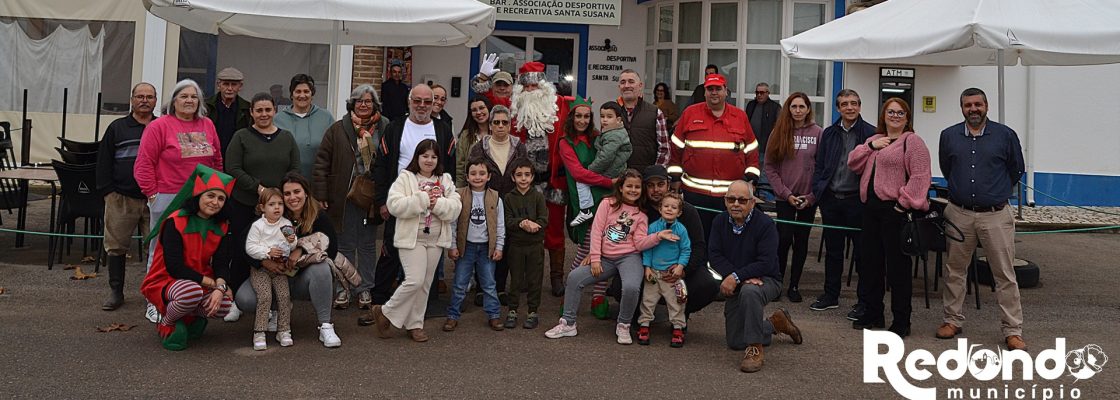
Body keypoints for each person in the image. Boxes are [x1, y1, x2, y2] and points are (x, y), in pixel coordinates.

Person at [936, 88, 1026, 351]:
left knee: (1004, 274)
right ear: (961, 108)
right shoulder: (949, 136)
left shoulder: (1005, 135)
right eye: (967, 105)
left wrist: (994, 192)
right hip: (959, 213)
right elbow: (947, 168)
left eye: (977, 104)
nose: (973, 109)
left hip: (996, 215)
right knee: (954, 270)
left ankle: (1012, 330)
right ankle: (952, 320)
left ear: (986, 106)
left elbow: (1016, 169)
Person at [545, 169, 676, 344]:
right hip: (605, 259)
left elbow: (639, 243)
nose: (633, 190)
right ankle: (568, 323)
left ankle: (624, 324)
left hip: (629, 258)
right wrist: (595, 257)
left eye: (637, 187)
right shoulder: (607, 203)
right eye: (629, 186)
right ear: (620, 187)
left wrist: (657, 237)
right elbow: (597, 231)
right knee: (575, 278)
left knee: (631, 287)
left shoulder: (641, 215)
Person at [135, 78, 224, 324]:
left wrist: (216, 191)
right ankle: (154, 301)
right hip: (167, 197)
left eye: (194, 96)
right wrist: (152, 194)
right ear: (173, 100)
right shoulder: (159, 126)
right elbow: (144, 163)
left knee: (197, 249)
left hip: (200, 199)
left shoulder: (207, 125)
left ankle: (191, 298)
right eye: (183, 96)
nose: (189, 101)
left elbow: (216, 160)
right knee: (160, 251)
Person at [847, 98, 931, 338]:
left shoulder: (912, 142)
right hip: (870, 210)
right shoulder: (874, 140)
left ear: (907, 117)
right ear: (883, 115)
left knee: (897, 270)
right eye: (890, 112)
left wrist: (902, 205)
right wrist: (871, 147)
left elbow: (920, 176)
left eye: (900, 112)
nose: (895, 116)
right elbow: (853, 162)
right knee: (870, 264)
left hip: (894, 211)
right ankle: (874, 312)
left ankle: (901, 320)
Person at [368, 84, 455, 308]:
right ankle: (378, 302)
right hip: (402, 203)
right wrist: (382, 201)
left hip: (433, 206)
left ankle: (425, 306)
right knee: (390, 253)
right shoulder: (395, 128)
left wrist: (445, 198)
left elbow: (450, 168)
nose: (422, 106)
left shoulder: (443, 129)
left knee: (429, 260)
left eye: (428, 101)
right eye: (417, 100)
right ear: (409, 101)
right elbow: (381, 166)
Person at [235, 172, 343, 348]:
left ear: (306, 193)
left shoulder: (318, 216)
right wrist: (263, 261)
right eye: (287, 193)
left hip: (300, 276)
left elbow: (332, 248)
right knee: (245, 299)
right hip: (271, 273)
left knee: (322, 268)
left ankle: (326, 325)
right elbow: (243, 244)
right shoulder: (272, 214)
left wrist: (300, 248)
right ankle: (275, 311)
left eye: (297, 191)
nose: (292, 197)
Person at [368, 139, 461, 342]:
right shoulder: (406, 178)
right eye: (425, 156)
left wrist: (438, 204)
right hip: (412, 239)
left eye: (433, 157)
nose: (429, 160)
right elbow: (394, 205)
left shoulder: (445, 179)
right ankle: (385, 311)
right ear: (417, 157)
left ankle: (415, 324)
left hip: (435, 240)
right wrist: (422, 199)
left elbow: (456, 207)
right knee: (414, 280)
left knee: (426, 283)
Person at [709, 180, 803, 372]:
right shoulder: (719, 222)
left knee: (750, 291)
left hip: (767, 279)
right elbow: (714, 255)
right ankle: (776, 323)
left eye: (742, 200)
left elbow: (766, 262)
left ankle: (755, 349)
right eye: (731, 199)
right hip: (739, 279)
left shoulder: (766, 224)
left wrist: (736, 277)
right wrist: (738, 277)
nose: (736, 204)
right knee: (735, 341)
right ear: (725, 201)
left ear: (752, 202)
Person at [139, 165, 236, 351]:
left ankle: (191, 318)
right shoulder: (175, 221)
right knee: (191, 292)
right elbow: (175, 267)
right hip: (166, 279)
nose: (215, 202)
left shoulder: (222, 226)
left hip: (200, 280)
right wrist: (213, 284)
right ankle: (167, 321)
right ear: (199, 195)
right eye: (210, 196)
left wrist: (221, 287)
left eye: (221, 198)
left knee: (224, 304)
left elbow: (222, 263)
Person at [223, 92, 300, 321]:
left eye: (268, 110)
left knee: (279, 251)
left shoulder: (286, 138)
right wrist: (260, 189)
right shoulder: (241, 137)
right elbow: (233, 168)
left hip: (278, 208)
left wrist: (279, 196)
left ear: (275, 111)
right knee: (241, 251)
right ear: (252, 113)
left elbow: (294, 169)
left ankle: (278, 305)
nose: (264, 114)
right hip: (245, 204)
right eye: (259, 110)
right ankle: (237, 301)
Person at [313, 84, 386, 309]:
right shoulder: (337, 129)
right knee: (343, 244)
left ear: (374, 104)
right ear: (351, 104)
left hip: (370, 198)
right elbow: (321, 163)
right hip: (342, 197)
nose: (363, 105)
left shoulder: (385, 128)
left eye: (368, 101)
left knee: (366, 244)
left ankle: (364, 289)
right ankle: (343, 289)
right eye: (359, 101)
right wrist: (321, 194)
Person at [808, 89, 876, 317]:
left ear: (860, 106)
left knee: (862, 254)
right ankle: (830, 296)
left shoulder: (870, 133)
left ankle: (863, 301)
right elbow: (820, 165)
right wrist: (819, 191)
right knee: (833, 252)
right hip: (831, 200)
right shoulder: (828, 133)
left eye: (854, 103)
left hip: (857, 201)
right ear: (838, 108)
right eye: (844, 104)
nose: (849, 107)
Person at [668, 73, 760, 240]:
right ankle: (698, 266)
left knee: (727, 238)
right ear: (704, 92)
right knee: (697, 237)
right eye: (710, 89)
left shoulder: (739, 116)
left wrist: (751, 180)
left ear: (726, 91)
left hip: (730, 195)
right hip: (694, 191)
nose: (714, 92)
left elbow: (752, 150)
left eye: (718, 88)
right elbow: (676, 147)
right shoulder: (690, 113)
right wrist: (675, 178)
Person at [97, 82, 156, 311]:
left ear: (155, 100)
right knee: (116, 246)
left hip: (154, 199)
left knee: (157, 247)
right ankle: (116, 292)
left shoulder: (162, 126)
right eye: (139, 96)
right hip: (121, 197)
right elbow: (103, 161)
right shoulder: (117, 128)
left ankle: (154, 293)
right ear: (132, 100)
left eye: (149, 97)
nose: (144, 100)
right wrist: (108, 192)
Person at [763, 92, 822, 303]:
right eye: (794, 106)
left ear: (808, 109)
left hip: (807, 198)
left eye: (801, 107)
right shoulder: (778, 133)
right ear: (788, 109)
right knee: (784, 239)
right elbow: (770, 167)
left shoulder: (818, 133)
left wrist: (812, 197)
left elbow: (822, 169)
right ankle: (777, 283)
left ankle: (795, 285)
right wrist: (785, 194)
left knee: (802, 240)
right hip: (784, 198)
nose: (797, 110)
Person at [639, 165, 718, 318]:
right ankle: (641, 316)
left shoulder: (687, 211)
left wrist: (683, 269)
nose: (656, 190)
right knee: (620, 285)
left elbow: (699, 246)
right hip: (650, 267)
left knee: (708, 285)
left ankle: (681, 314)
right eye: (651, 185)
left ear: (668, 185)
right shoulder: (641, 211)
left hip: (681, 265)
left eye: (660, 184)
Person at [556, 98, 612, 298]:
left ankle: (598, 297)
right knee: (585, 248)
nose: (582, 120)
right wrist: (610, 182)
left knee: (605, 249)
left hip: (604, 200)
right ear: (571, 118)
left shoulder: (597, 137)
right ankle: (571, 290)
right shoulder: (565, 142)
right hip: (585, 200)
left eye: (587, 116)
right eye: (578, 116)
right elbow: (578, 173)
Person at [443, 159, 505, 332]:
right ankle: (453, 315)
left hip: (486, 248)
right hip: (466, 247)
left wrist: (499, 247)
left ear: (489, 176)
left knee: (489, 284)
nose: (477, 177)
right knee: (459, 283)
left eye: (482, 173)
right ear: (467, 177)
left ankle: (493, 315)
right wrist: (452, 245)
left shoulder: (496, 197)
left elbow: (500, 225)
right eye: (473, 174)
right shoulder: (459, 195)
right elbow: (453, 223)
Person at [244, 188, 296, 350]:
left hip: (280, 268)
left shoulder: (286, 224)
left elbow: (292, 246)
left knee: (284, 296)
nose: (277, 208)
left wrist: (292, 241)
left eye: (280, 204)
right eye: (272, 204)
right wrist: (267, 252)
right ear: (262, 207)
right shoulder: (258, 226)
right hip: (261, 270)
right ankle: (259, 331)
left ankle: (284, 330)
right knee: (265, 296)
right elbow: (250, 247)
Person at [637, 191, 691, 347]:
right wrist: (647, 267)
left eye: (673, 207)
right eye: (666, 206)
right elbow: (647, 248)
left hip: (671, 274)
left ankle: (678, 328)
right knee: (648, 300)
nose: (669, 209)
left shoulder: (681, 230)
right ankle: (644, 326)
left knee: (676, 302)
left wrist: (681, 266)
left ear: (679, 212)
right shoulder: (653, 227)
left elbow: (686, 249)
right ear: (660, 209)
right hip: (654, 272)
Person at [501, 158, 548, 329]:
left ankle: (533, 311)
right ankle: (512, 310)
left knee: (534, 280)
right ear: (513, 177)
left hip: (535, 245)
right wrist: (522, 222)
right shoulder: (508, 198)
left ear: (532, 177)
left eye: (527, 175)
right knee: (516, 280)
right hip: (516, 246)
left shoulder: (538, 197)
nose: (523, 178)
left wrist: (535, 225)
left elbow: (544, 219)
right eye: (519, 175)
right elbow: (508, 220)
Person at [569, 101, 632, 227]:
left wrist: (591, 170)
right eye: (602, 116)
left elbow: (605, 157)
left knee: (582, 182)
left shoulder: (613, 135)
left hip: (611, 172)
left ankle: (585, 210)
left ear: (618, 119)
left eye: (609, 117)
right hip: (614, 171)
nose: (604, 120)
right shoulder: (609, 132)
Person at [275, 73, 335, 178]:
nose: (302, 95)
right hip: (287, 182)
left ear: (312, 94)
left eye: (306, 91)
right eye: (298, 91)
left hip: (319, 180)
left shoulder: (326, 117)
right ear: (291, 94)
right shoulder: (278, 119)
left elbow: (336, 148)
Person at [467, 105, 528, 196]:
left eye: (504, 122)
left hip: (514, 200)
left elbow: (526, 176)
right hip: (486, 200)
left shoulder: (519, 148)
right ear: (490, 126)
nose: (500, 125)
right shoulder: (478, 148)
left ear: (509, 126)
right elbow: (471, 177)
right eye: (496, 122)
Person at [616, 70, 669, 172]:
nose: (626, 85)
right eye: (623, 82)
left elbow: (664, 149)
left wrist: (654, 175)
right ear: (619, 87)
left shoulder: (655, 113)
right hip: (618, 179)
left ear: (640, 86)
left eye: (631, 82)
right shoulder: (612, 112)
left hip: (645, 179)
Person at [205, 67, 251, 157]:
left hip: (237, 158)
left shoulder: (247, 109)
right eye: (226, 84)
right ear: (218, 85)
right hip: (211, 157)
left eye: (234, 85)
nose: (230, 88)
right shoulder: (206, 107)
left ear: (240, 86)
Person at [455, 97, 492, 187]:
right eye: (474, 110)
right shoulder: (465, 136)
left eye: (482, 108)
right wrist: (460, 189)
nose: (478, 112)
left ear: (489, 109)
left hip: (493, 187)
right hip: (470, 187)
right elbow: (460, 166)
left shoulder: (498, 133)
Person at [745, 82, 780, 171]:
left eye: (762, 93)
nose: (759, 95)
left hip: (766, 148)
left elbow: (779, 128)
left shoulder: (775, 107)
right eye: (757, 93)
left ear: (768, 93)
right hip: (751, 146)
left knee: (764, 175)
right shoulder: (751, 105)